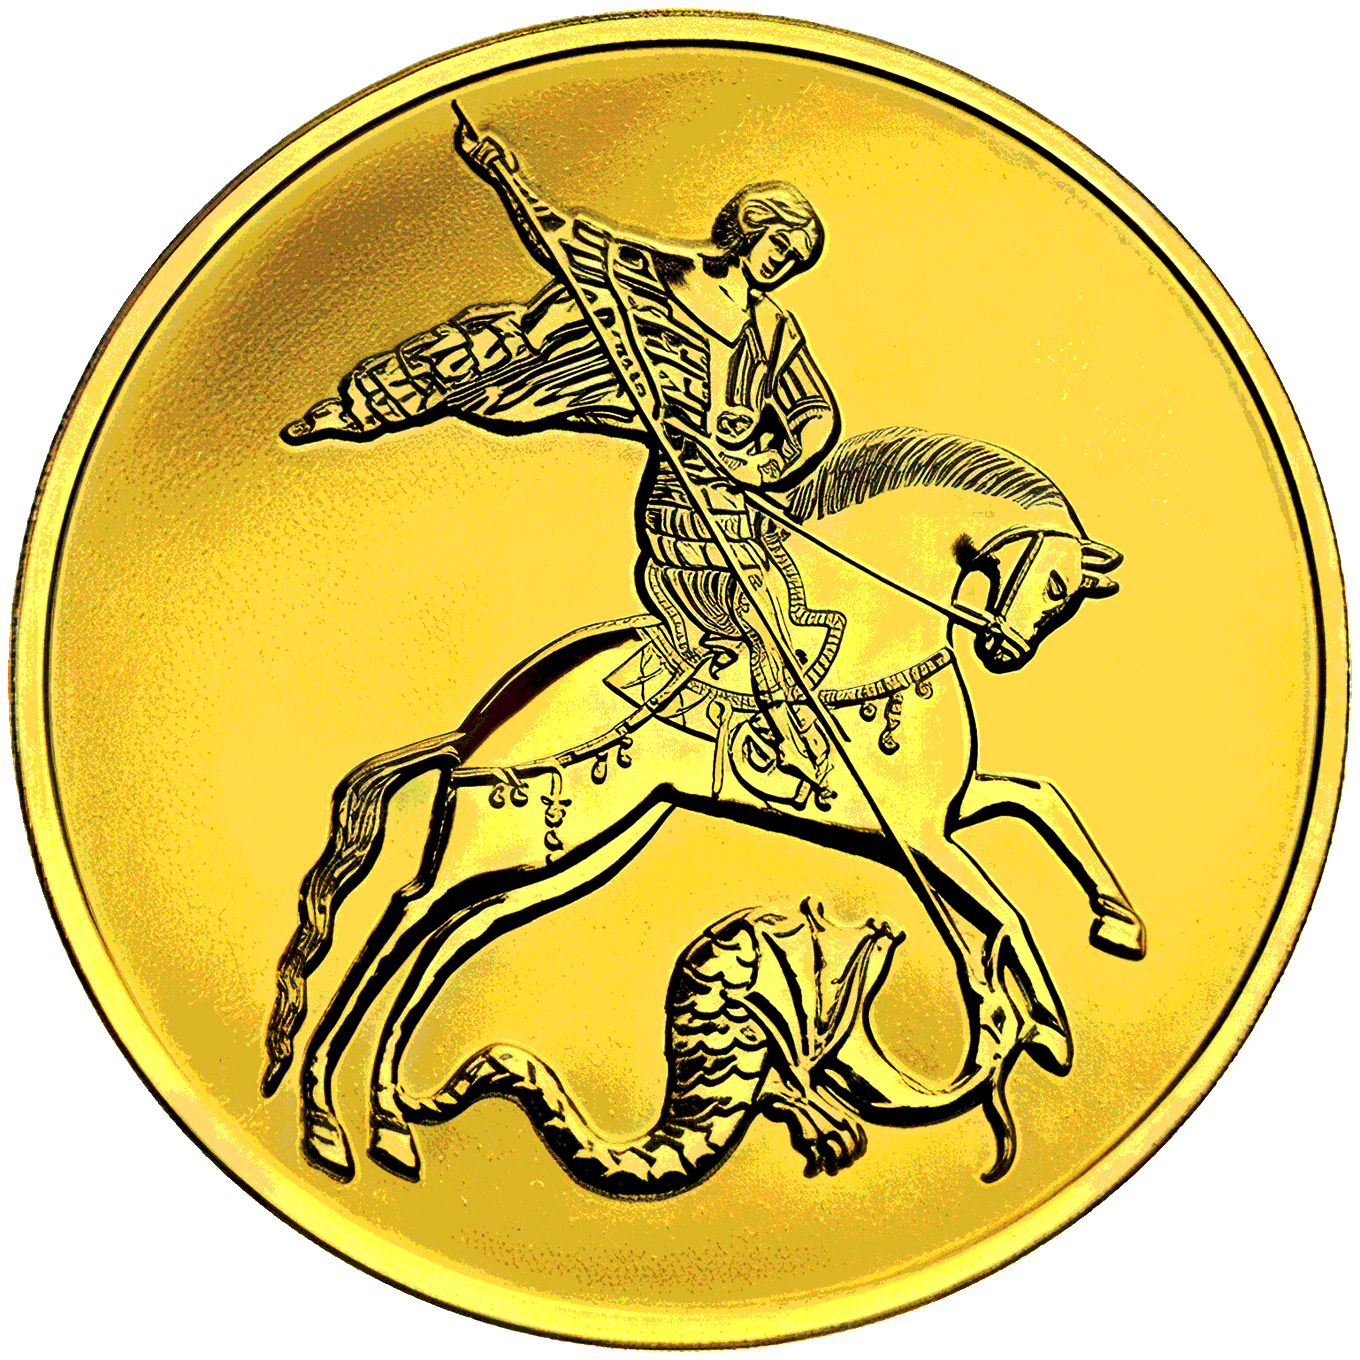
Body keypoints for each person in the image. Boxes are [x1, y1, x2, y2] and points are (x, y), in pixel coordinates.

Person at [283, 112, 842, 789]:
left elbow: (815, 412)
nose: (785, 262)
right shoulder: (660, 269)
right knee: (756, 606)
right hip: (679, 503)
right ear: (751, 226)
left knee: (788, 601)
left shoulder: (775, 327)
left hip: (740, 504)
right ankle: (791, 743)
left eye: (797, 257)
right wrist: (503, 173)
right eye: (781, 243)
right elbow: (558, 237)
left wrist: (769, 464)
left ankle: (755, 720)